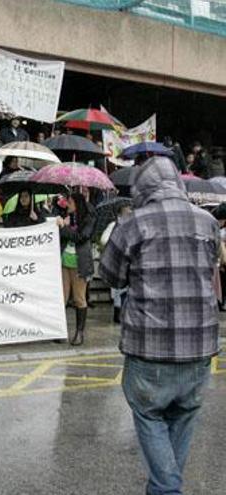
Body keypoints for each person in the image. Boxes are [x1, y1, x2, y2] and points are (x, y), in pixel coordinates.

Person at [99, 157, 220, 495]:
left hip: (150, 348)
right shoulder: (207, 222)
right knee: (182, 417)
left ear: (143, 189)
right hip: (199, 348)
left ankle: (166, 490)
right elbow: (210, 269)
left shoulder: (134, 223)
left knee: (150, 417)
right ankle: (165, 487)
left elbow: (110, 276)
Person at [56, 192, 95, 346]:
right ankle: (60, 331)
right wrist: (62, 225)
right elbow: (62, 236)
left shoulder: (88, 219)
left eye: (70, 202)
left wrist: (64, 227)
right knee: (63, 298)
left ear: (78, 204)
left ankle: (79, 333)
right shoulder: (68, 217)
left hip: (80, 263)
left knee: (79, 298)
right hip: (64, 262)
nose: (68, 205)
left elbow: (81, 237)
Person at [99, 202, 132, 323]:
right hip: (118, 260)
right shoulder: (114, 225)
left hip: (128, 261)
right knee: (119, 290)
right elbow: (103, 240)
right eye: (127, 210)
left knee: (124, 290)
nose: (129, 211)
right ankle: (118, 314)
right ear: (120, 212)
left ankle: (122, 313)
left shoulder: (131, 225)